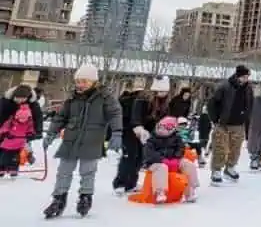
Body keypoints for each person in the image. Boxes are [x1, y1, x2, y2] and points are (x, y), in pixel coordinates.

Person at [42, 63, 123, 218]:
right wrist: (51, 133)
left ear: (94, 81)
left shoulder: (105, 97)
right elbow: (61, 117)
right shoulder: (72, 97)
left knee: (87, 172)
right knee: (63, 172)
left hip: (92, 139)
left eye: (84, 81)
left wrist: (117, 132)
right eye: (78, 81)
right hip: (71, 139)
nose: (80, 84)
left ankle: (85, 198)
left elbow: (115, 114)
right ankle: (58, 199)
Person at [113, 76, 171, 196]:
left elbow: (161, 120)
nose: (162, 94)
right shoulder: (142, 100)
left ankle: (131, 183)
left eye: (164, 92)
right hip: (131, 130)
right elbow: (136, 117)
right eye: (160, 91)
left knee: (140, 158)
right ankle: (120, 183)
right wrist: (140, 129)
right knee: (129, 157)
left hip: (148, 134)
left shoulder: (165, 104)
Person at [207, 65, 254, 185]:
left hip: (239, 123)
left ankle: (230, 167)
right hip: (223, 123)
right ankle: (216, 170)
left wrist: (246, 118)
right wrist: (215, 119)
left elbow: (250, 105)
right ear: (238, 76)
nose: (246, 79)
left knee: (235, 148)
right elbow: (212, 103)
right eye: (244, 76)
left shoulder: (248, 89)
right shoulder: (225, 86)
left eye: (247, 76)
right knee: (220, 147)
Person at [143, 116, 199, 203]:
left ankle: (190, 191)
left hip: (173, 160)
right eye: (160, 127)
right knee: (162, 167)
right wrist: (161, 159)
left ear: (171, 130)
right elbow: (149, 153)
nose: (161, 130)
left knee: (188, 164)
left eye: (165, 128)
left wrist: (176, 158)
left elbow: (181, 149)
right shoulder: (152, 139)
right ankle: (160, 192)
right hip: (155, 163)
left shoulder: (176, 138)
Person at [0, 84, 44, 166]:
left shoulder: (33, 104)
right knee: (3, 147)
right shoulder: (6, 101)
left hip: (23, 130)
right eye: (17, 98)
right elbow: (2, 115)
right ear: (14, 96)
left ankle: (24, 158)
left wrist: (38, 131)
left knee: (21, 145)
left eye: (23, 99)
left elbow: (38, 117)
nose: (20, 101)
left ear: (27, 98)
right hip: (7, 129)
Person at [0, 99, 37, 178]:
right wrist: (6, 133)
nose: (22, 121)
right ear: (16, 116)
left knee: (15, 158)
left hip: (19, 144)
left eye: (24, 119)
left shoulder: (29, 122)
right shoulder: (11, 121)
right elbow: (4, 128)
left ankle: (13, 170)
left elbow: (31, 129)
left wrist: (30, 134)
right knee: (4, 158)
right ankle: (1, 169)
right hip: (7, 144)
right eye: (20, 119)